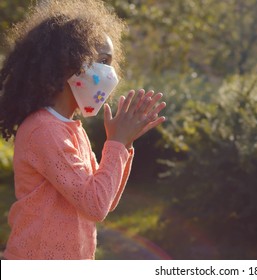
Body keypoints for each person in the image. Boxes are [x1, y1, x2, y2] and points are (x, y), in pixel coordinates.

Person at [0, 0, 166, 259]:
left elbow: (106, 201)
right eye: (102, 60)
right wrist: (117, 144)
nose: (110, 72)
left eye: (111, 61)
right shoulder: (44, 130)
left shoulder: (71, 128)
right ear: (68, 63)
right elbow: (95, 206)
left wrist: (124, 143)